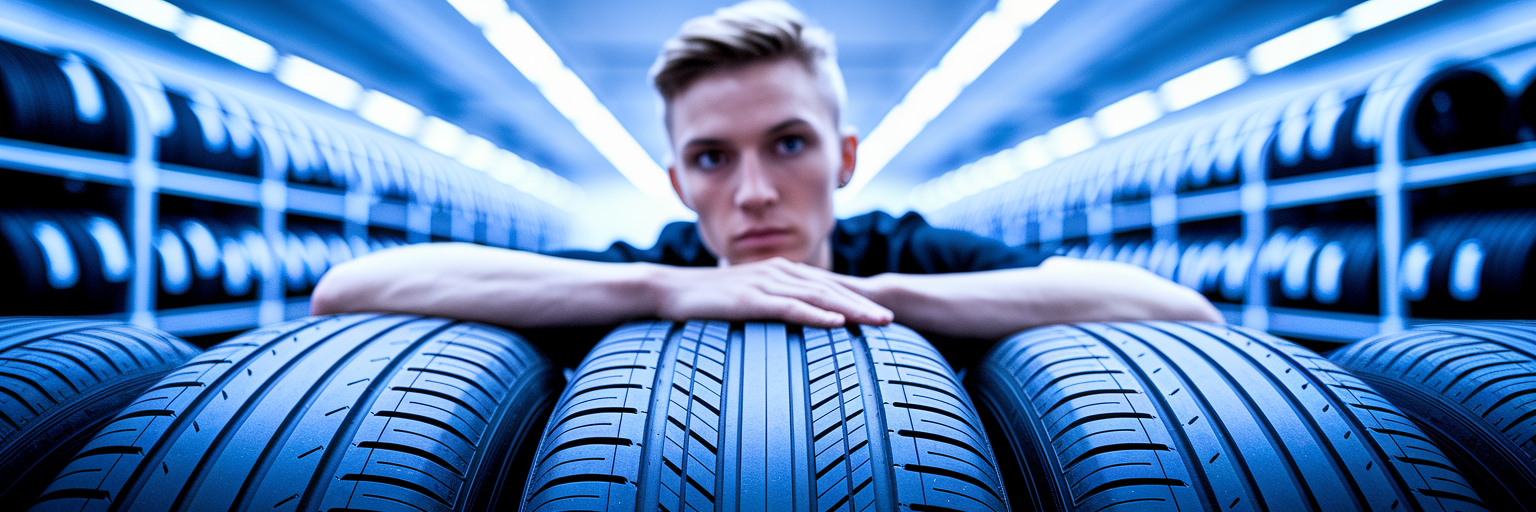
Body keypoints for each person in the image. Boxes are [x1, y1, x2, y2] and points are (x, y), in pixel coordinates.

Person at [311, 0, 1220, 343]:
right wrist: (659, 293)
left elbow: (1181, 309)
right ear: (677, 183)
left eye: (788, 144)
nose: (750, 193)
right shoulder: (657, 264)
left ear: (846, 158)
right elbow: (351, 287)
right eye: (711, 158)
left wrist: (888, 297)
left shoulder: (910, 252)